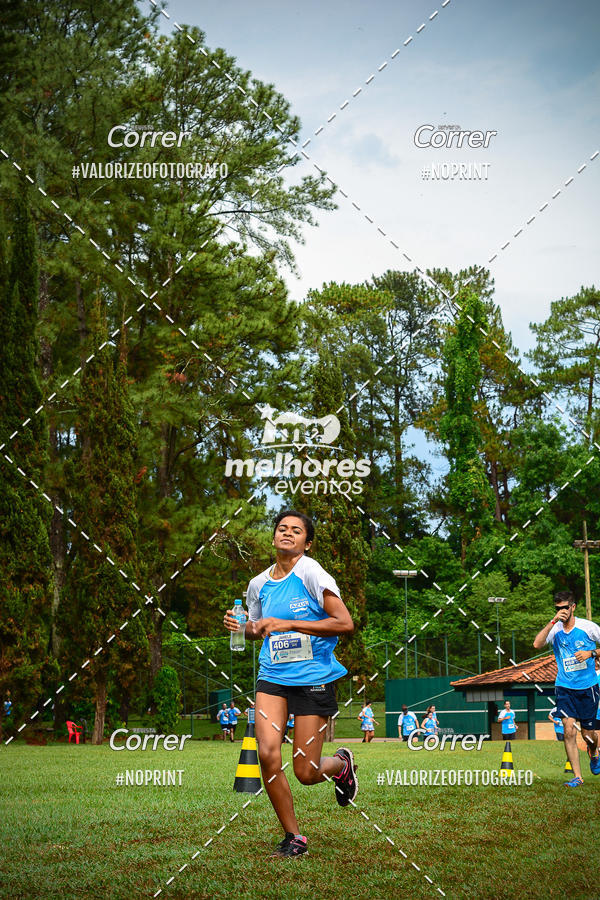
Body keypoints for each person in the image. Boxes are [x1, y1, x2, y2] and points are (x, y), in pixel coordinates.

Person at [223, 509, 357, 859]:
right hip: (273, 677)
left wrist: (289, 624)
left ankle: (341, 765)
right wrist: (241, 627)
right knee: (267, 754)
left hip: (314, 677)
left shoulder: (310, 572)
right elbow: (256, 629)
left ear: (306, 543)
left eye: (296, 531)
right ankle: (293, 836)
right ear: (273, 538)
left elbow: (344, 622)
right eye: (282, 528)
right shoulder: (258, 584)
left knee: (306, 771)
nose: (288, 533)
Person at [533, 590, 600, 786]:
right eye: (557, 608)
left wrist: (591, 653)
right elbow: (537, 644)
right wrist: (552, 621)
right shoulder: (555, 630)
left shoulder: (588, 627)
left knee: (588, 735)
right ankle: (578, 777)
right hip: (564, 686)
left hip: (588, 687)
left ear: (573, 607)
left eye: (564, 608)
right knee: (568, 729)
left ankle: (594, 752)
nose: (561, 611)